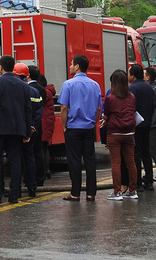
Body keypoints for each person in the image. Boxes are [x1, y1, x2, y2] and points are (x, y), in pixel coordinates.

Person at [0, 55, 32, 205]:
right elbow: (27, 110)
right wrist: (27, 132)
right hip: (16, 129)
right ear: (13, 67)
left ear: (0, 67)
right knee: (16, 161)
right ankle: (14, 194)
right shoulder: (24, 86)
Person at [58, 54, 102, 201]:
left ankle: (75, 193)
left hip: (73, 127)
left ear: (77, 66)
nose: (70, 66)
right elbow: (98, 108)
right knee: (90, 160)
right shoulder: (95, 85)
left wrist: (64, 126)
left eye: (71, 64)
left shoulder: (68, 84)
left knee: (74, 160)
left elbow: (64, 107)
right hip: (89, 127)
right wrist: (93, 123)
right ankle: (91, 193)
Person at [102, 70, 138, 200]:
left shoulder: (110, 98)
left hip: (114, 133)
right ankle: (132, 190)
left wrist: (104, 121)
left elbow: (106, 114)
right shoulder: (132, 97)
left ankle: (117, 192)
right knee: (131, 163)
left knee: (116, 163)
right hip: (129, 133)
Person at [15, 62, 42, 197]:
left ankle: (17, 189)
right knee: (29, 157)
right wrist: (33, 127)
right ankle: (32, 187)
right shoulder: (35, 91)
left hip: (18, 129)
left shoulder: (17, 90)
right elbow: (38, 112)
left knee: (17, 159)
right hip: (31, 129)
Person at [128, 63, 156, 191]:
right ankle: (149, 181)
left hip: (137, 124)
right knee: (146, 152)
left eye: (129, 73)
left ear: (133, 75)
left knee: (136, 154)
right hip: (148, 123)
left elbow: (131, 107)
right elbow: (152, 105)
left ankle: (138, 182)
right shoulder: (148, 87)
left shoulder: (133, 89)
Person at [24, 64, 47, 189]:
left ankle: (29, 179)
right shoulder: (41, 89)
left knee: (27, 155)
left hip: (27, 126)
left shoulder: (25, 89)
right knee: (38, 152)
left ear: (27, 75)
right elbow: (39, 110)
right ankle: (39, 178)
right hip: (37, 125)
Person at [41, 76, 56, 181]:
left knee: (41, 148)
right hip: (47, 123)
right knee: (44, 147)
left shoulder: (44, 93)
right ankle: (46, 171)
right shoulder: (49, 92)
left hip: (43, 123)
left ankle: (44, 171)